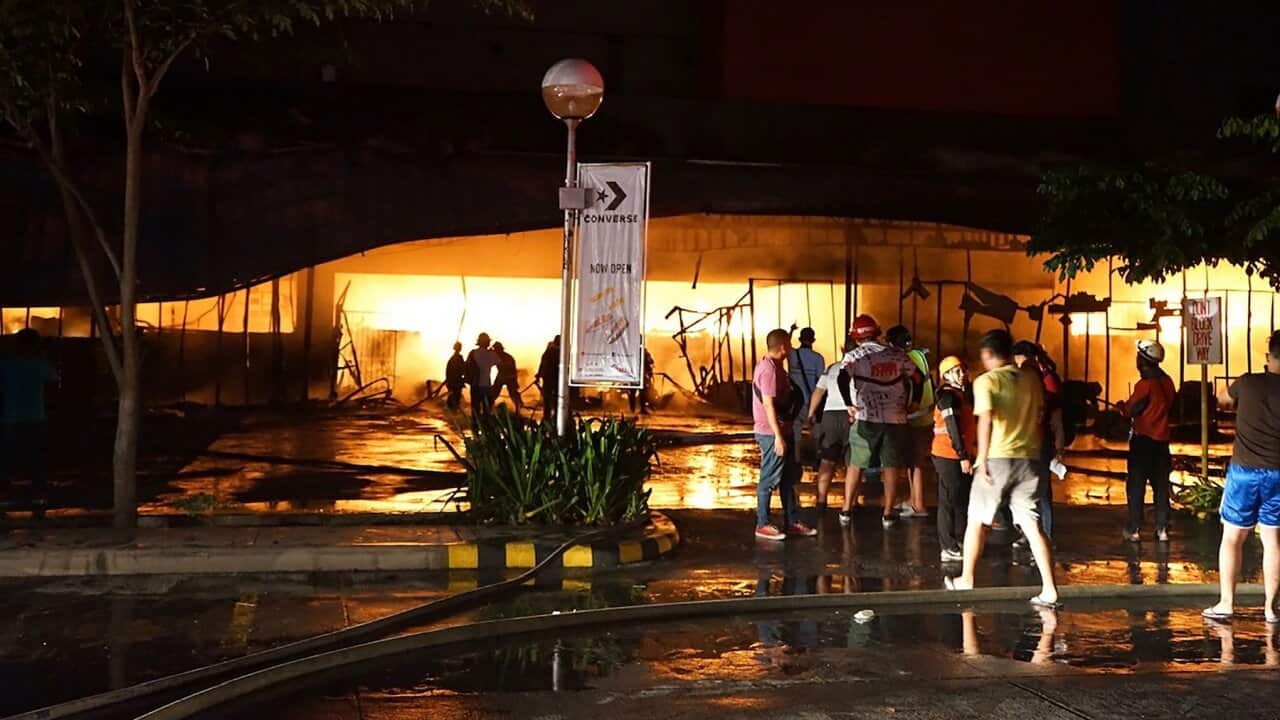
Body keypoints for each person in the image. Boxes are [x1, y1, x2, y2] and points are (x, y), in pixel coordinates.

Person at [947, 329, 1058, 609]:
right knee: (1032, 525)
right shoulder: (1031, 380)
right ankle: (1049, 588)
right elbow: (1039, 415)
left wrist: (982, 458)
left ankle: (966, 579)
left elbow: (985, 420)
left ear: (987, 354)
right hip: (1030, 459)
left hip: (998, 458)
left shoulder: (987, 381)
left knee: (977, 520)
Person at [1204, 330, 1280, 624]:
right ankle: (1270, 609)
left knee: (1233, 538)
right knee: (1273, 540)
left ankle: (1226, 604)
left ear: (1268, 356)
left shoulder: (1247, 382)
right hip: (1278, 473)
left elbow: (1222, 399)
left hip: (1244, 472)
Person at [836, 314, 925, 529]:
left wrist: (848, 403)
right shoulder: (897, 355)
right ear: (877, 333)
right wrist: (915, 401)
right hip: (896, 419)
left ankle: (846, 509)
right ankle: (888, 513)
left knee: (856, 463)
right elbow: (918, 377)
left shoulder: (853, 356)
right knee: (891, 466)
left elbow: (842, 378)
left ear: (856, 337)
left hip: (866, 417)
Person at [752, 328, 816, 541]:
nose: (791, 348)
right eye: (788, 345)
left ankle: (792, 521)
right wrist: (778, 437)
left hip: (782, 429)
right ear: (782, 347)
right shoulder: (769, 370)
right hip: (772, 432)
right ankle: (762, 524)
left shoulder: (776, 366)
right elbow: (768, 404)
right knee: (769, 478)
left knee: (788, 478)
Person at [1118, 340, 1176, 543]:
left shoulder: (1145, 385)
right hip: (1162, 443)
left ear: (1143, 360)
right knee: (1161, 487)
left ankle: (1134, 529)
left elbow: (1132, 409)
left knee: (1136, 486)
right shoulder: (1167, 382)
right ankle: (1162, 529)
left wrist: (1122, 408)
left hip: (1143, 442)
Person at [1011, 340, 1066, 542]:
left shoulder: (1045, 387)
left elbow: (1057, 422)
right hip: (1028, 445)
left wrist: (1059, 450)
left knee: (1039, 493)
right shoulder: (1030, 388)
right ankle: (1034, 534)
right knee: (1029, 491)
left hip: (1037, 446)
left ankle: (1043, 537)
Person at [0, 329, 57, 516]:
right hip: (35, 416)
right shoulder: (40, 364)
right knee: (36, 457)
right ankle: (37, 492)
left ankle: (5, 492)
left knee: (7, 456)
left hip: (11, 417)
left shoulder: (6, 364)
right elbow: (54, 378)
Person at [932, 355, 976, 562]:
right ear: (946, 375)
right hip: (948, 455)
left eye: (963, 370)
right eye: (957, 371)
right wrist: (963, 456)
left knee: (959, 499)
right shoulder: (948, 397)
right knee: (949, 501)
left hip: (955, 454)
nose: (962, 374)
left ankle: (958, 540)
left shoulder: (959, 395)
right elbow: (953, 427)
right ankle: (948, 546)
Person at [887, 325, 934, 518]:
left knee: (915, 461)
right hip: (926, 414)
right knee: (915, 460)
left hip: (914, 416)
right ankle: (913, 499)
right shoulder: (919, 355)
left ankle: (919, 505)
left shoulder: (905, 359)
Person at [806, 339, 856, 519]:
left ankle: (821, 501)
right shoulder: (862, 367)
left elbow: (819, 392)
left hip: (830, 416)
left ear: (842, 349)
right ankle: (850, 504)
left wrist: (810, 414)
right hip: (853, 415)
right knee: (853, 464)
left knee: (827, 461)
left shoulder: (832, 368)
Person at [466, 332, 499, 417]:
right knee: (487, 410)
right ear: (488, 342)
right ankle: (485, 423)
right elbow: (499, 361)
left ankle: (475, 423)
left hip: (475, 385)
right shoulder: (492, 354)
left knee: (475, 410)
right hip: (487, 386)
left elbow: (466, 366)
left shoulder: (472, 353)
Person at [491, 341, 523, 411]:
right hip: (507, 376)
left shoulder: (503, 357)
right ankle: (518, 407)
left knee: (495, 393)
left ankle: (518, 408)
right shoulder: (504, 356)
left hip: (507, 376)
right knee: (495, 393)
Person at [537, 335, 561, 423]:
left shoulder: (549, 351)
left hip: (548, 377)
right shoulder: (564, 351)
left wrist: (539, 375)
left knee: (547, 398)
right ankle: (557, 415)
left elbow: (543, 363)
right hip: (558, 378)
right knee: (558, 397)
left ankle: (547, 416)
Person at [628, 349, 655, 415]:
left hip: (639, 375)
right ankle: (633, 409)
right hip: (635, 375)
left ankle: (639, 408)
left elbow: (650, 362)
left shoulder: (643, 352)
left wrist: (649, 372)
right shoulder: (634, 351)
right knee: (634, 392)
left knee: (642, 393)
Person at [444, 342, 466, 411]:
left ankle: (451, 410)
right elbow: (462, 369)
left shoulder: (452, 358)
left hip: (452, 381)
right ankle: (452, 410)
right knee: (455, 397)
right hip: (456, 382)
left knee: (452, 397)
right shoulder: (458, 358)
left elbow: (448, 371)